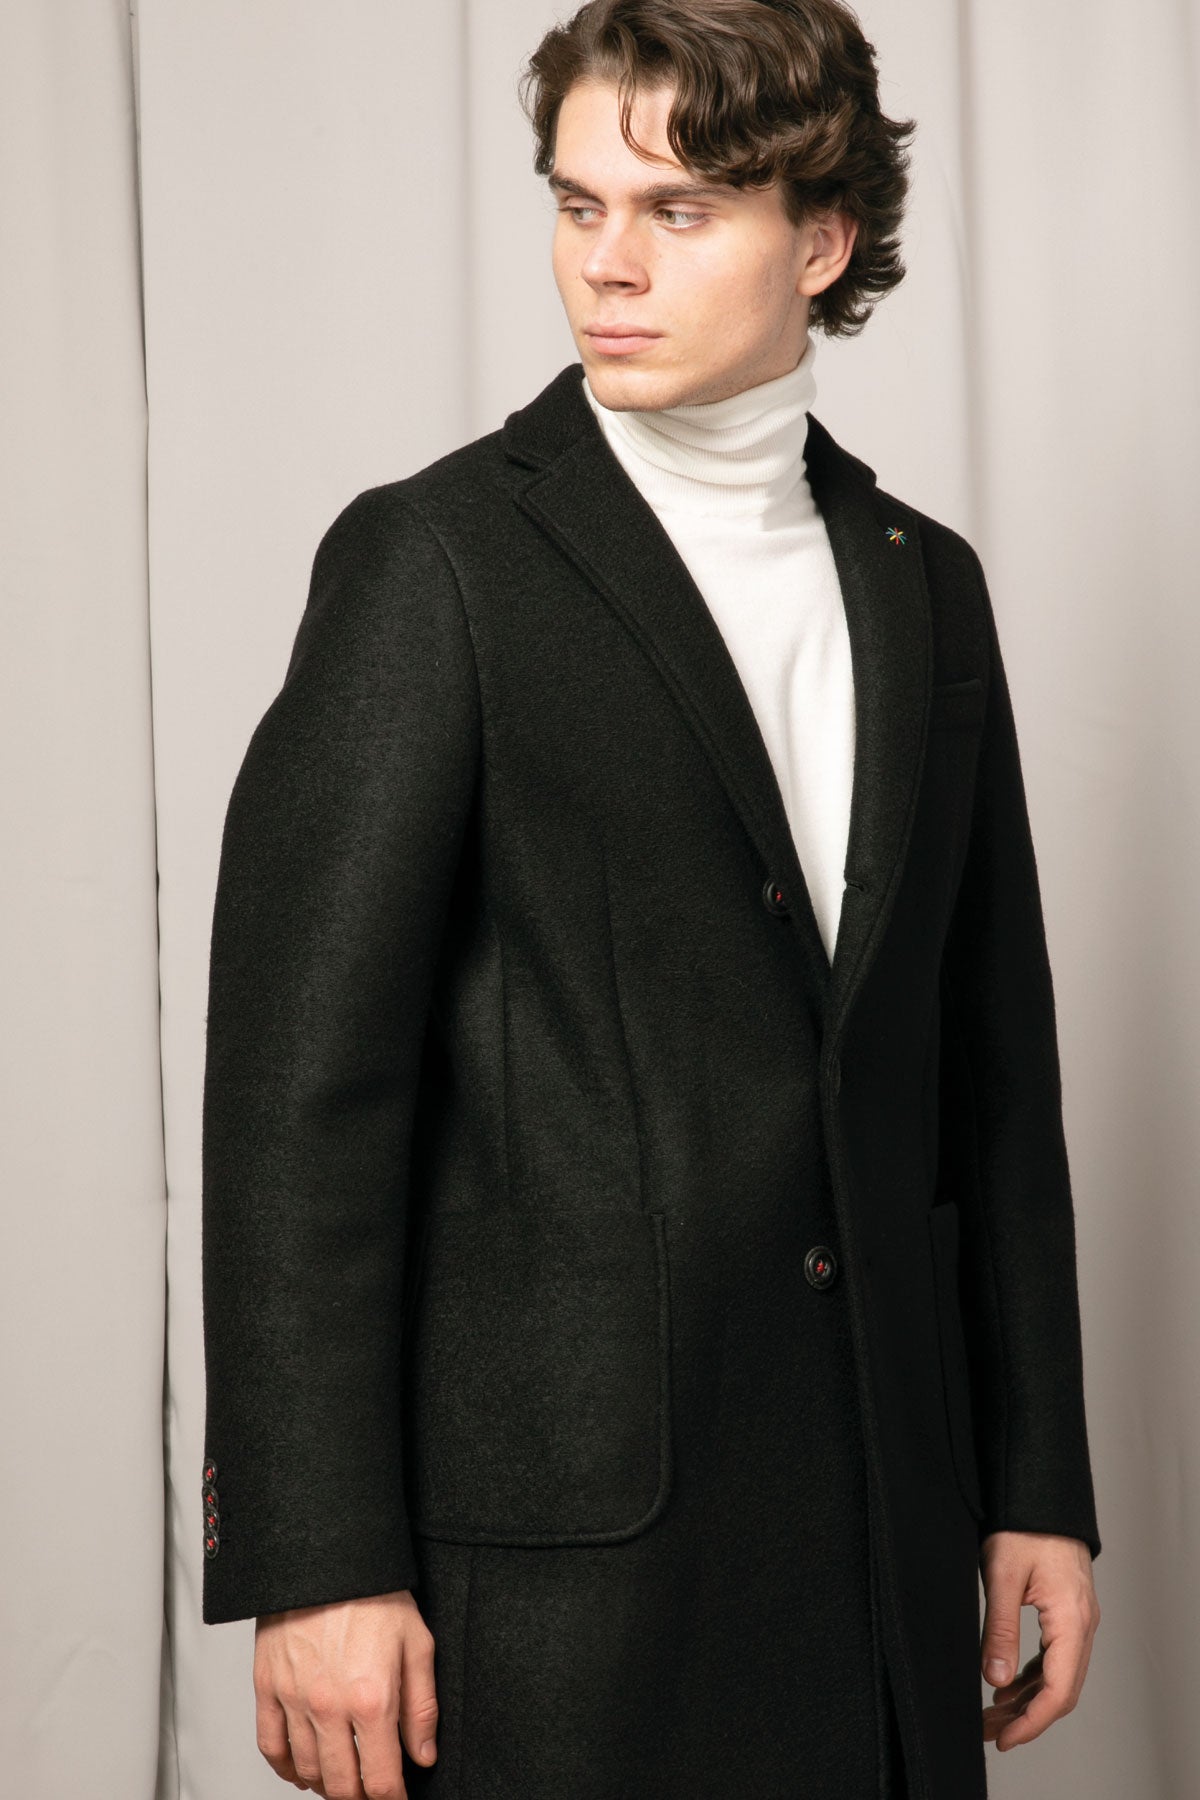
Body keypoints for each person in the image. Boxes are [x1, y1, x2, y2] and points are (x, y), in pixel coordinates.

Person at [199, 2, 1102, 1795]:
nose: (604, 264)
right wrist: (318, 1559)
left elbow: (991, 1081)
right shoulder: (438, 564)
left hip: (878, 1540)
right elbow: (303, 1100)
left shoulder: (928, 589)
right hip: (562, 1574)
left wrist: (1035, 1489)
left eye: (678, 211)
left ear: (819, 240)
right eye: (578, 203)